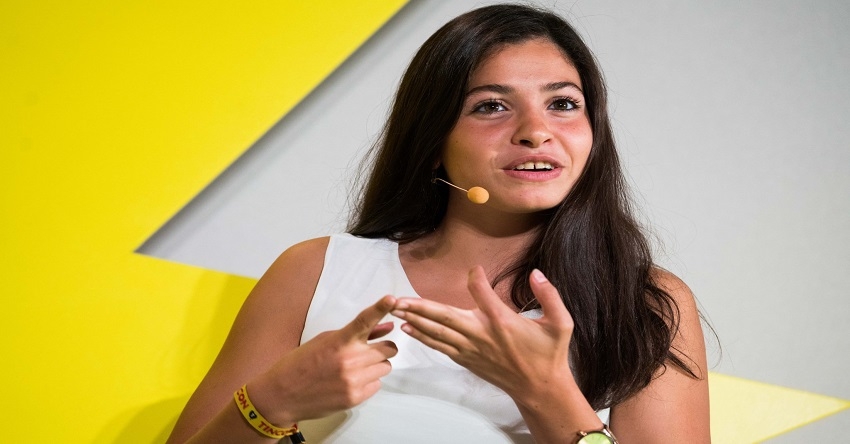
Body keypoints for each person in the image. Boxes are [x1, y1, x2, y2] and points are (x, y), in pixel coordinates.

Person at [166, 4, 710, 443]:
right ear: (431, 141)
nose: (536, 130)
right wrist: (272, 401)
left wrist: (545, 391)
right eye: (491, 106)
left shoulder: (646, 302)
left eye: (563, 103)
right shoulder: (314, 269)